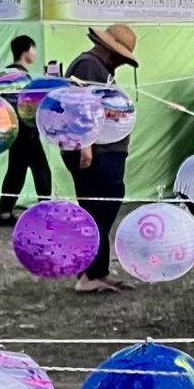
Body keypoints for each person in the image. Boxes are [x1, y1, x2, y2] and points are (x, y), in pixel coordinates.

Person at [67, 23, 138, 292]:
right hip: (96, 152)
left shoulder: (100, 68)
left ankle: (97, 270)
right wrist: (85, 144)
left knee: (101, 208)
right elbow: (77, 106)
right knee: (99, 209)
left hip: (106, 150)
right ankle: (88, 274)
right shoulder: (88, 66)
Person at [0, 34, 55, 222]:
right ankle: (45, 211)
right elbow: (27, 107)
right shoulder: (23, 77)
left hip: (11, 131)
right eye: (34, 49)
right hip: (26, 132)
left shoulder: (4, 75)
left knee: (16, 171)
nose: (35, 53)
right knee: (42, 171)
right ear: (27, 50)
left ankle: (5, 212)